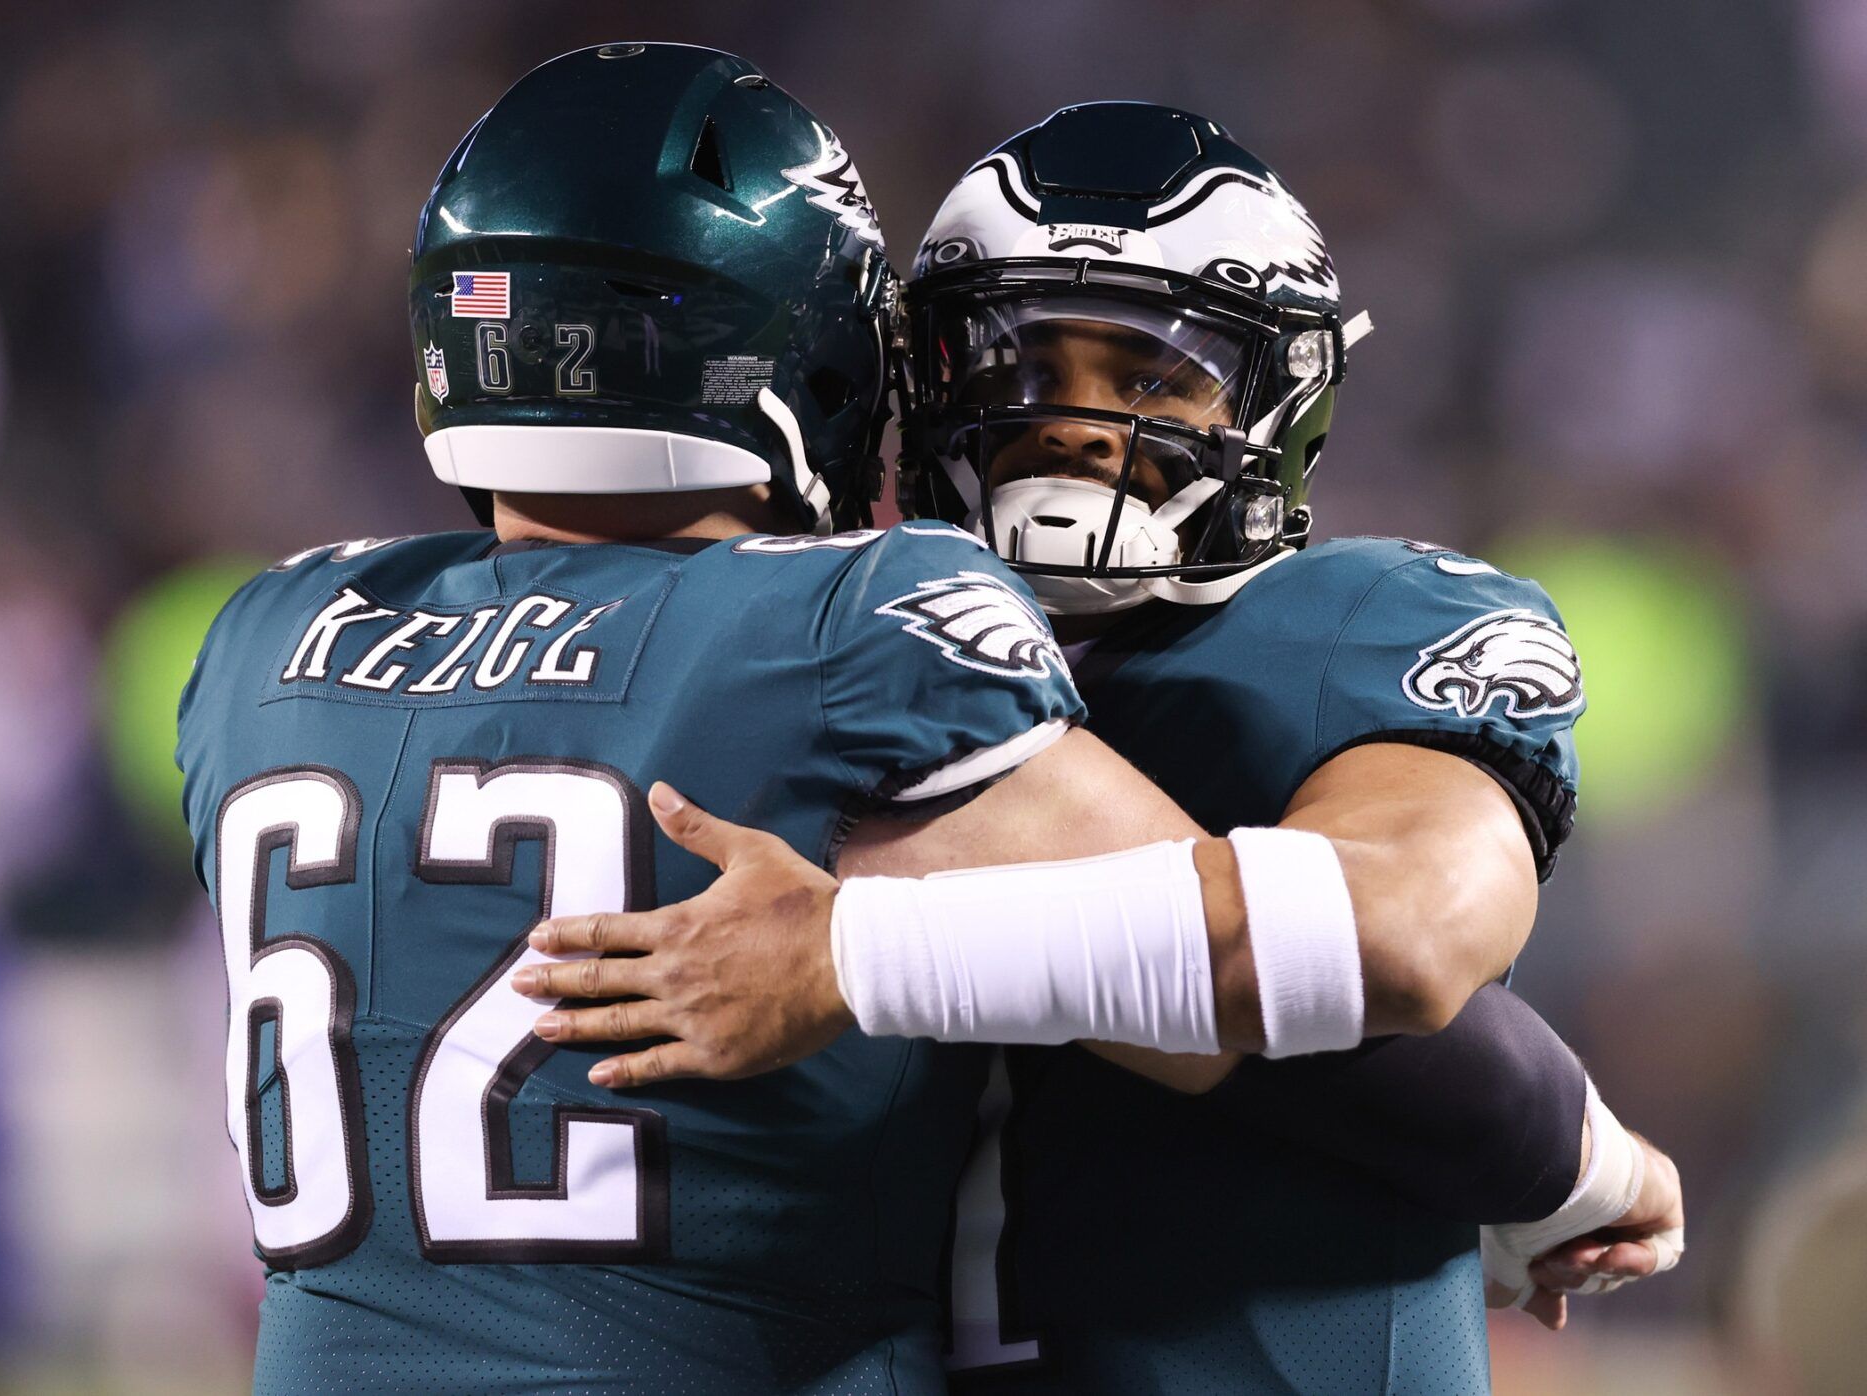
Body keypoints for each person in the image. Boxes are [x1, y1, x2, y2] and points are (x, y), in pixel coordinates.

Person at [175, 50, 1531, 1393]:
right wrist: (1577, 1155)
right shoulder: (850, 617)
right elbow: (1243, 992)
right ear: (810, 354)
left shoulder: (264, 636)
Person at [512, 103, 1684, 1392]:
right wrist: (1543, 1141)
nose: (1069, 421)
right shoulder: (831, 638)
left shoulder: (1362, 624)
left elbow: (1405, 931)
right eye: (1015, 369)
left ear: (1275, 400)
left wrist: (854, 952)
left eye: (1147, 377)